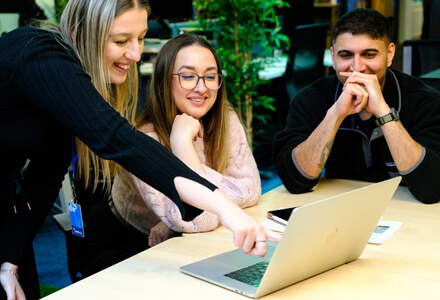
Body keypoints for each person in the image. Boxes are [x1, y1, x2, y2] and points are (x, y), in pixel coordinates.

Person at [0, 0, 279, 299]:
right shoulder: (37, 53)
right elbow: (117, 139)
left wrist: (10, 262)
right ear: (78, 32)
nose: (135, 54)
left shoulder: (68, 81)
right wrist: (226, 209)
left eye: (141, 38)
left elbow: (45, 178)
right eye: (121, 41)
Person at [71, 33, 262, 277]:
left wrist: (172, 222)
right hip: (122, 244)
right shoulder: (145, 138)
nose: (201, 87)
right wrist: (182, 144)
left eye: (210, 76)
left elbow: (251, 188)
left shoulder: (225, 117)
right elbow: (197, 222)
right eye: (188, 76)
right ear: (164, 81)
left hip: (179, 242)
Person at [273, 8, 440, 204]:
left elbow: (432, 188)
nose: (356, 67)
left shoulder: (426, 101)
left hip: (410, 217)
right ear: (333, 56)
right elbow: (294, 181)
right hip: (341, 213)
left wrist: (383, 112)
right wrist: (335, 114)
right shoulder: (309, 99)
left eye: (369, 54)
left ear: (390, 54)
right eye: (346, 55)